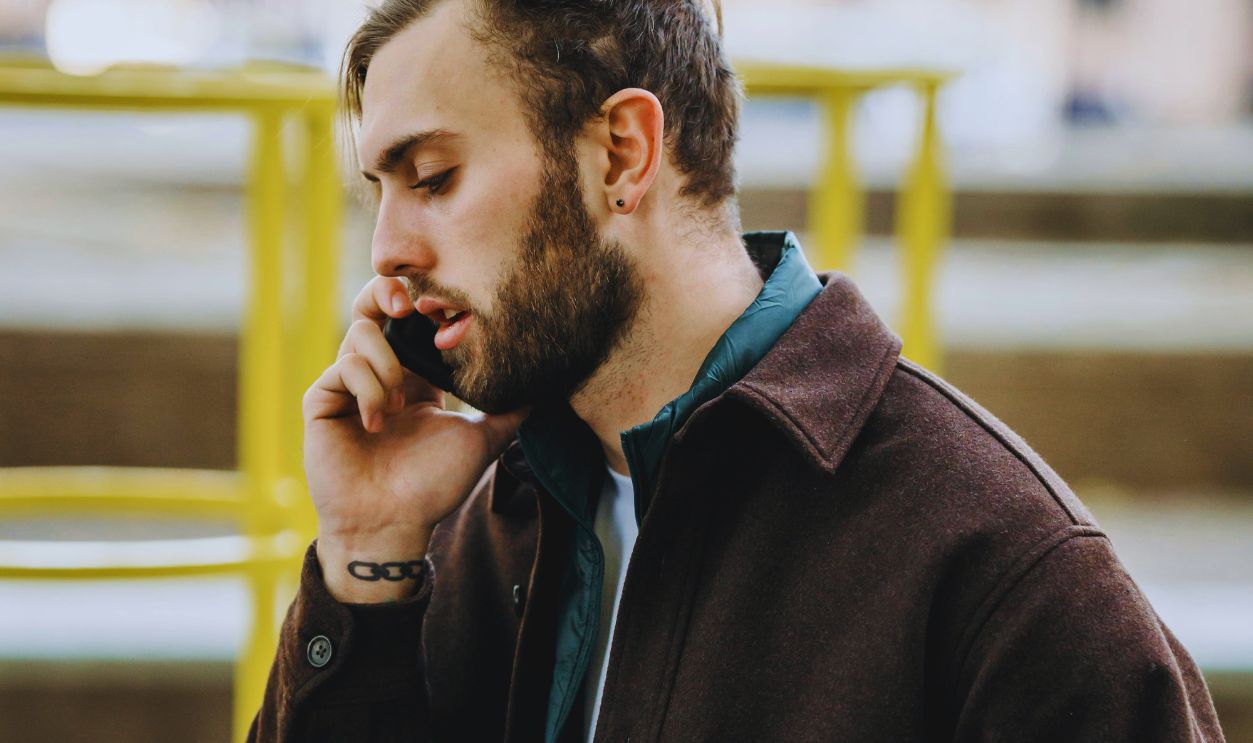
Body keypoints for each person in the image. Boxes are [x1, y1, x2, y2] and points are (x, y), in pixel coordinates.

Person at [248, 0, 1225, 741]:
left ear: (621, 155)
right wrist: (369, 556)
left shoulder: (995, 567)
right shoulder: (476, 521)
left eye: (432, 178)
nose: (387, 250)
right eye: (380, 192)